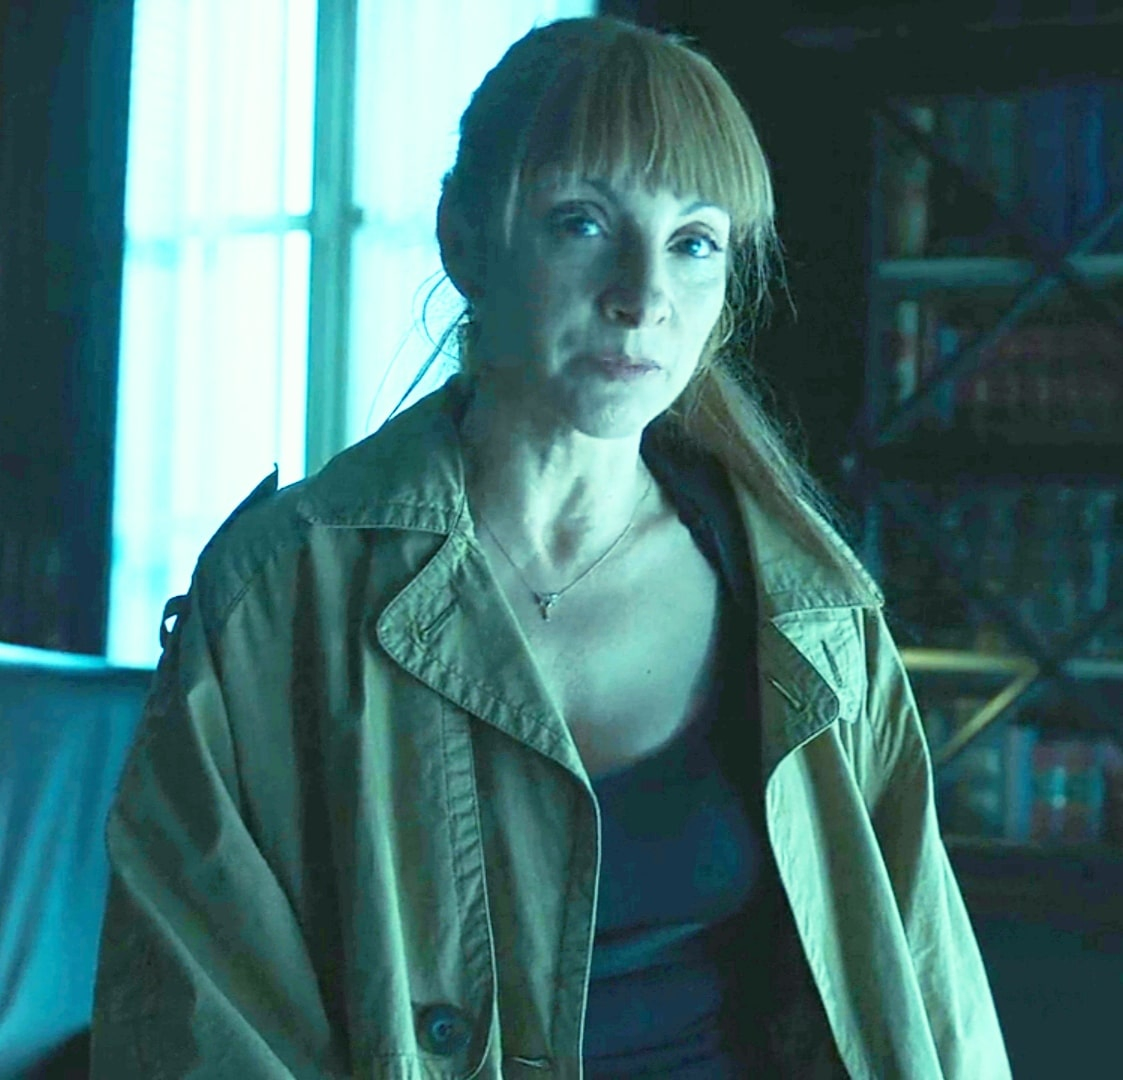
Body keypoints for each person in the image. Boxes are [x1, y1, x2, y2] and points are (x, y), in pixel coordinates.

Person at [90, 15, 1011, 1079]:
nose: (642, 296)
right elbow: (196, 1023)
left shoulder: (811, 613)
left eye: (693, 243)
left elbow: (929, 995)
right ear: (464, 239)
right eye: (582, 222)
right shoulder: (279, 595)